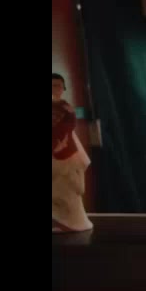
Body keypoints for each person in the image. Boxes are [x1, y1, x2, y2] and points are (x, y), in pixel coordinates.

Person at [53, 73, 92, 232]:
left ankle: (72, 223)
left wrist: (59, 143)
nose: (55, 89)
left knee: (66, 189)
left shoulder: (66, 108)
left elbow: (68, 126)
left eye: (58, 85)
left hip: (64, 151)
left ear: (63, 88)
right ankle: (61, 222)